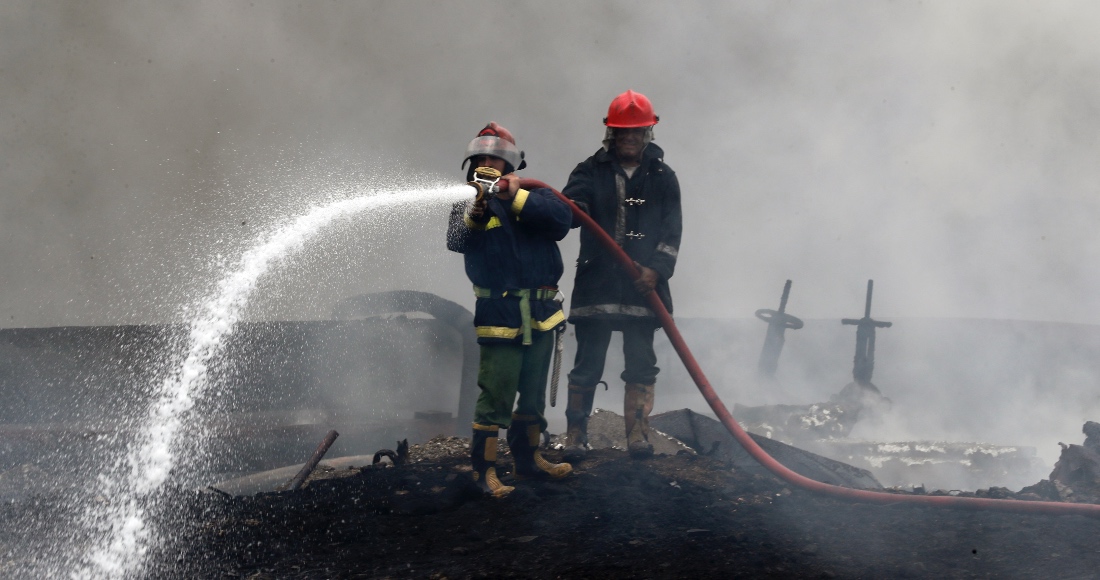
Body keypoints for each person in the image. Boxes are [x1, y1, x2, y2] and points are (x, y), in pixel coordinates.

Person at [446, 122, 574, 497]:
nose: (488, 164)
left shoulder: (538, 196)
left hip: (541, 313)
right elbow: (457, 241)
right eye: (482, 159)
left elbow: (561, 222)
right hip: (500, 315)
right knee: (496, 397)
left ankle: (528, 461)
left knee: (532, 395)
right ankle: (484, 472)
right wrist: (477, 210)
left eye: (496, 159)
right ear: (471, 164)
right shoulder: (463, 203)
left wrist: (516, 197)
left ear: (511, 165)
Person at [560, 90, 682, 461]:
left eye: (636, 133)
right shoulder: (589, 170)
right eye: (622, 133)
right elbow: (571, 204)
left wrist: (655, 271)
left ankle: (639, 436)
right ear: (610, 134)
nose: (629, 139)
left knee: (642, 363)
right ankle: (576, 435)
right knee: (588, 362)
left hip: (642, 289)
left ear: (648, 134)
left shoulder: (663, 177)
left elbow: (671, 231)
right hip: (598, 283)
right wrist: (576, 206)